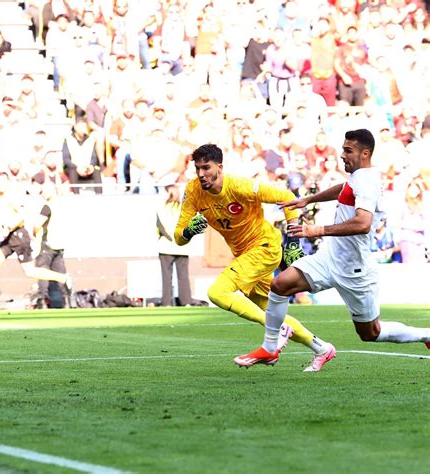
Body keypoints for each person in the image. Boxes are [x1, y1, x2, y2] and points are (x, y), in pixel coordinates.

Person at [235, 129, 430, 369]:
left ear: (365, 153)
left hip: (354, 269)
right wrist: (309, 200)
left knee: (371, 333)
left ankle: (426, 335)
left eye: (348, 151)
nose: (342, 155)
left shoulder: (367, 181)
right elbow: (344, 189)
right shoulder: (360, 175)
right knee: (280, 285)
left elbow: (363, 223)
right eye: (343, 149)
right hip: (329, 258)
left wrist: (316, 230)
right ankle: (270, 348)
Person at [174, 144, 336, 372]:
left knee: (217, 293)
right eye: (197, 168)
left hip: (264, 247)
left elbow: (287, 196)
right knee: (271, 311)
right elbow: (178, 237)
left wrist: (292, 241)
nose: (201, 174)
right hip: (245, 256)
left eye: (206, 168)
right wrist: (189, 231)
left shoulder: (240, 186)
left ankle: (277, 333)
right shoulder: (193, 192)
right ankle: (321, 347)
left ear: (219, 167)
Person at [0, 188, 73, 309]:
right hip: (10, 237)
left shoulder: (13, 196)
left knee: (30, 271)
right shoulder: (7, 197)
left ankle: (63, 278)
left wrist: (8, 228)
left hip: (18, 237)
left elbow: (21, 216)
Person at [32, 177, 72, 308]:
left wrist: (34, 234)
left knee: (42, 272)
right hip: (60, 245)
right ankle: (67, 301)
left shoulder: (48, 206)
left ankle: (42, 300)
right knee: (60, 274)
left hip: (47, 244)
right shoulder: (63, 204)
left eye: (43, 190)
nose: (42, 193)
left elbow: (37, 224)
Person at [157, 184, 193, 306]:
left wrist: (168, 237)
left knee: (166, 277)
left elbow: (160, 226)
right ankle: (186, 301)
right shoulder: (184, 207)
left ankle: (166, 302)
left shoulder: (162, 207)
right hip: (182, 246)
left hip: (165, 246)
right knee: (183, 276)